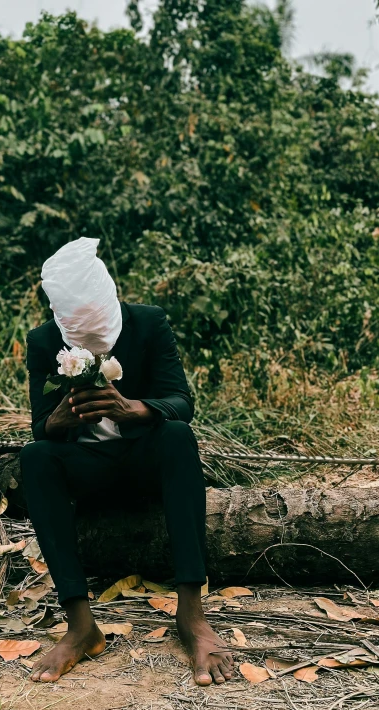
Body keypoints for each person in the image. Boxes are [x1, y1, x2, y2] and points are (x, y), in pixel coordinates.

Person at [20, 237, 233, 686]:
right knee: (35, 456)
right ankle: (81, 625)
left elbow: (181, 401)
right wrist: (59, 418)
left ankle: (191, 616)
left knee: (176, 435)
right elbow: (42, 428)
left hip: (143, 461)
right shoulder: (42, 342)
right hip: (87, 467)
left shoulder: (149, 323)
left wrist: (137, 409)